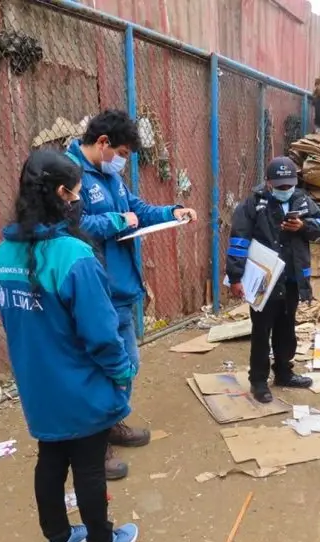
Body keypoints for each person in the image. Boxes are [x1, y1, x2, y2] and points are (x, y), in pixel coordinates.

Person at [0, 149, 138, 542]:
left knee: (51, 459)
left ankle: (58, 540)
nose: (79, 201)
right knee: (89, 464)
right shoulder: (74, 256)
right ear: (60, 194)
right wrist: (122, 373)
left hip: (37, 385)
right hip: (81, 385)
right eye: (75, 193)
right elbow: (102, 335)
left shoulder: (3, 255)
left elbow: (13, 320)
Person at [65, 109, 198, 480]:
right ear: (103, 143)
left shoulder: (110, 175)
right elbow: (70, 224)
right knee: (98, 369)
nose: (122, 161)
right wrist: (116, 221)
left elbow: (135, 209)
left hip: (121, 288)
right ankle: (94, 446)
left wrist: (172, 212)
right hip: (95, 291)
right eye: (122, 153)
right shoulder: (69, 174)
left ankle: (110, 424)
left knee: (127, 365)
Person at [226, 156, 320, 402]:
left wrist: (303, 226)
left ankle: (284, 372)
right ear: (268, 182)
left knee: (287, 327)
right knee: (261, 331)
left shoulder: (301, 200)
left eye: (289, 185)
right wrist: (235, 277)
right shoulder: (253, 205)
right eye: (280, 186)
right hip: (264, 280)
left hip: (292, 278)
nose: (286, 190)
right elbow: (238, 241)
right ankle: (258, 381)